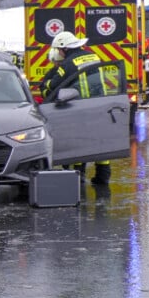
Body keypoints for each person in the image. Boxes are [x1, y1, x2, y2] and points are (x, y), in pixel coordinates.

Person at [39, 31, 111, 185]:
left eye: (58, 49)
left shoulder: (69, 64)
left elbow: (53, 85)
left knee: (80, 140)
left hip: (81, 106)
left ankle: (80, 175)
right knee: (100, 140)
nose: (58, 52)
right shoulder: (93, 56)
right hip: (100, 102)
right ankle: (103, 176)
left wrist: (44, 86)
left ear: (64, 48)